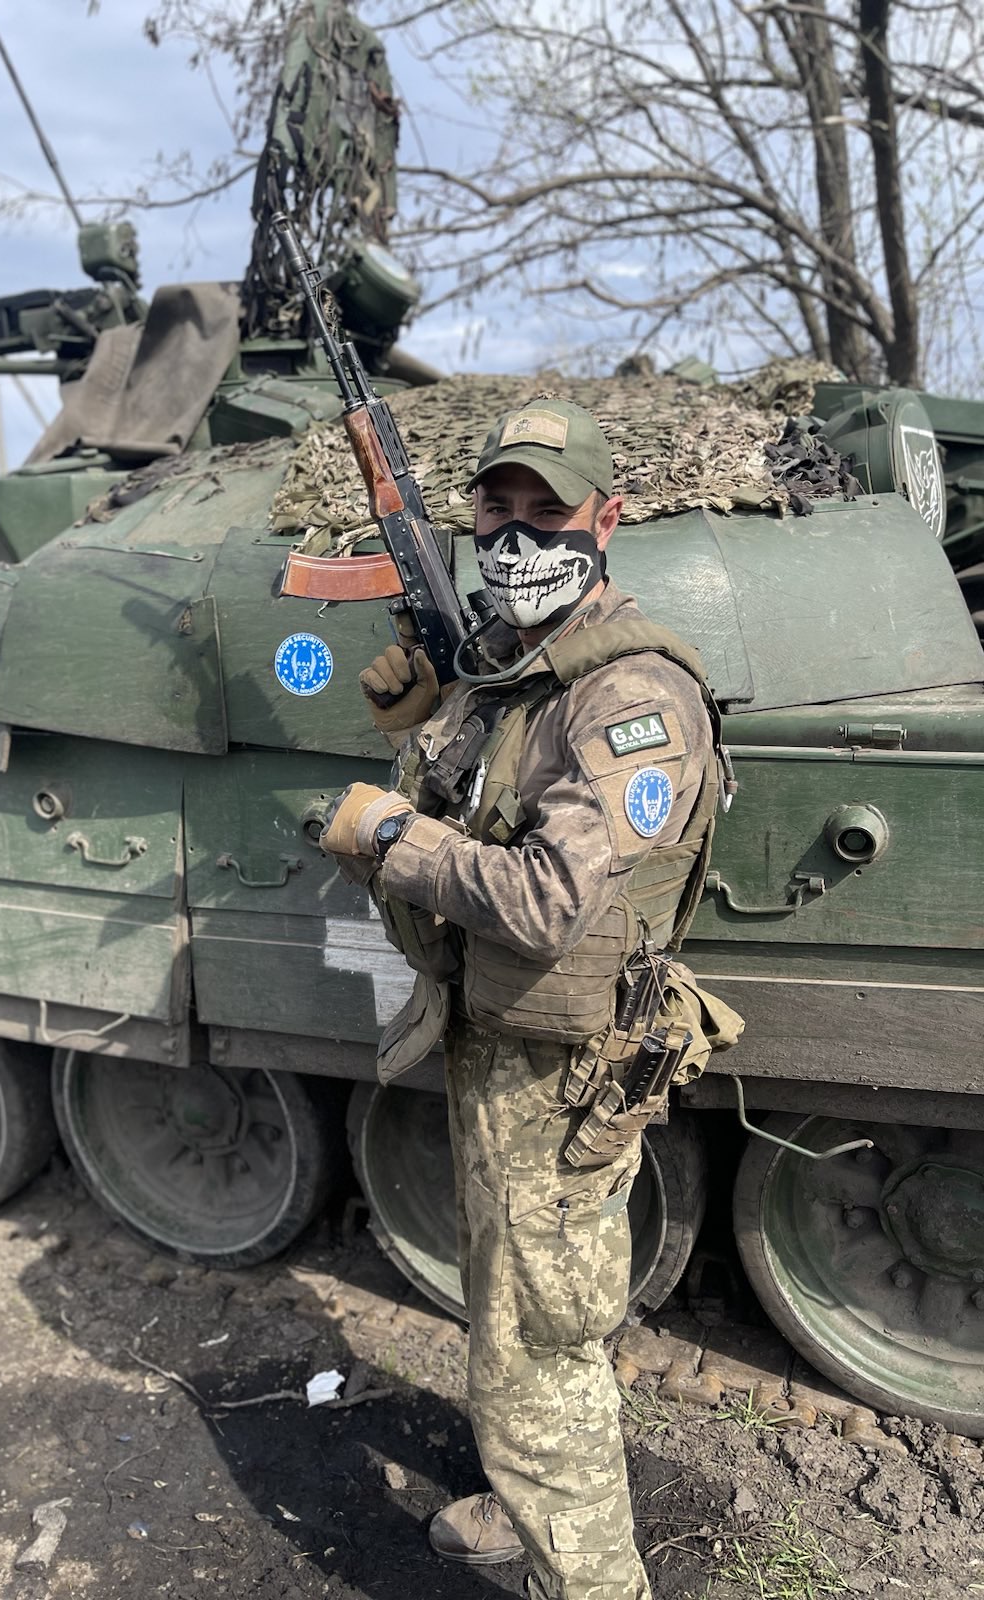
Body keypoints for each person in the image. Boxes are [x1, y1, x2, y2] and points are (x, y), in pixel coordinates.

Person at [319, 398, 732, 1600]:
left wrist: (386, 833)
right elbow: (486, 807)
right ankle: (525, 1503)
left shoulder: (627, 698)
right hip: (499, 1042)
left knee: (535, 1349)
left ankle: (592, 1579)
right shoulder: (518, 671)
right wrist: (419, 736)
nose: (515, 534)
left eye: (545, 508)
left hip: (559, 1075)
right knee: (524, 1316)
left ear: (605, 518)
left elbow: (547, 897)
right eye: (496, 508)